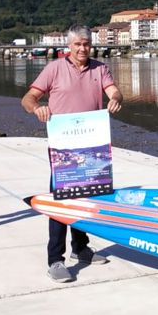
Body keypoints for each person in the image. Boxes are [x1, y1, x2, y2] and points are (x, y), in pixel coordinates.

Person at [21, 25, 123, 283]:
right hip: (63, 148)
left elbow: (114, 91)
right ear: (69, 46)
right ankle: (55, 259)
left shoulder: (100, 68)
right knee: (61, 200)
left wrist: (116, 98)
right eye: (77, 44)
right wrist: (37, 108)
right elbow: (28, 98)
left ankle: (81, 248)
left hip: (92, 146)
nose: (82, 48)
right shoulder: (54, 69)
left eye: (86, 44)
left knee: (85, 199)